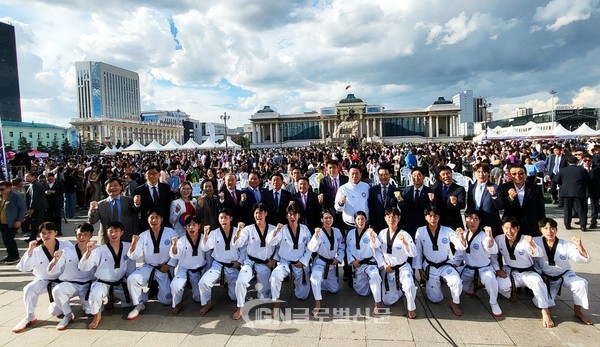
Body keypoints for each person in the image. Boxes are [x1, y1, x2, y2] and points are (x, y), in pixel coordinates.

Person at [493, 216, 553, 328]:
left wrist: (532, 244)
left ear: (518, 228)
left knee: (538, 283)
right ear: (502, 228)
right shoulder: (499, 239)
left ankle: (545, 310)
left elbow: (538, 254)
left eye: (512, 228)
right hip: (511, 271)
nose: (509, 231)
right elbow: (493, 256)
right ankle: (514, 291)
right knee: (499, 286)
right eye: (506, 228)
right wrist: (497, 269)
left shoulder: (526, 239)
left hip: (528, 272)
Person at [12, 222, 72, 333]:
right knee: (29, 289)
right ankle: (30, 315)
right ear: (39, 235)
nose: (46, 235)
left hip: (63, 281)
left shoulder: (66, 245)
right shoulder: (36, 250)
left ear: (55, 233)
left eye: (50, 232)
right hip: (44, 280)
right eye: (43, 233)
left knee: (55, 312)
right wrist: (30, 250)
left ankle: (66, 311)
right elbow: (24, 267)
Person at [533, 218, 592, 325]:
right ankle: (545, 309)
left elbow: (584, 259)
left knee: (581, 284)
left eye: (552, 228)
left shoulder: (565, 245)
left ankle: (578, 311)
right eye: (546, 228)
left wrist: (579, 245)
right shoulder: (535, 241)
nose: (549, 231)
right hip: (546, 277)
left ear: (556, 230)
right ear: (540, 230)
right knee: (541, 302)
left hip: (564, 274)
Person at [79, 221, 135, 329]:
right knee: (94, 296)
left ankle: (112, 298)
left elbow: (132, 264)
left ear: (121, 232)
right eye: (110, 231)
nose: (113, 234)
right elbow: (84, 267)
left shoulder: (128, 246)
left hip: (119, 283)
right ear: (106, 233)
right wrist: (88, 253)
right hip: (103, 283)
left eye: (116, 231)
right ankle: (97, 315)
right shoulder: (99, 250)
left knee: (142, 298)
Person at [126, 209, 178, 320]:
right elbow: (134, 256)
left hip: (164, 267)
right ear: (148, 220)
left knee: (167, 300)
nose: (154, 220)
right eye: (151, 218)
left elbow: (178, 252)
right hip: (149, 267)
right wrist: (134, 244)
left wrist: (169, 265)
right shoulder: (143, 235)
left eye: (156, 217)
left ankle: (159, 289)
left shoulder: (171, 232)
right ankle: (139, 303)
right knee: (132, 279)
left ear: (161, 219)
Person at [414, 206, 465, 316]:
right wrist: (419, 269)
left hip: (445, 265)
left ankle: (454, 302)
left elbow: (460, 246)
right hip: (430, 266)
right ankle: (431, 286)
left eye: (435, 216)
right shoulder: (420, 231)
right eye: (430, 216)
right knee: (435, 299)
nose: (433, 219)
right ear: (426, 217)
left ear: (439, 217)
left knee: (457, 283)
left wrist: (461, 237)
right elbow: (417, 251)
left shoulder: (447, 230)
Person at [47, 223, 97, 330]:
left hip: (88, 286)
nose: (82, 237)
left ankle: (84, 303)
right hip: (71, 284)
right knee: (56, 297)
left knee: (91, 310)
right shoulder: (67, 251)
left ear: (91, 235)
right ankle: (68, 314)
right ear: (75, 236)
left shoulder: (98, 250)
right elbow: (51, 270)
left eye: (85, 234)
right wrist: (55, 260)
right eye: (79, 235)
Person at [232, 203, 277, 320]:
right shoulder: (248, 229)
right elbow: (238, 243)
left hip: (265, 263)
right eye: (256, 213)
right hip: (250, 262)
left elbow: (279, 247)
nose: (258, 215)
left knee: (264, 298)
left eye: (261, 213)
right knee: (241, 281)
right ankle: (240, 307)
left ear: (266, 214)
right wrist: (238, 232)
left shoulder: (273, 229)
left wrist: (274, 260)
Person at [371, 208, 417, 318]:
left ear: (399, 218)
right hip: (387, 269)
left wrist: (405, 244)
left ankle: (411, 307)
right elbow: (377, 250)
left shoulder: (404, 234)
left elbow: (414, 253)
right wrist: (383, 265)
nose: (391, 219)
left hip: (402, 267)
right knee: (388, 301)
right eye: (389, 216)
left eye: (394, 217)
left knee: (409, 286)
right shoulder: (382, 233)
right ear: (385, 218)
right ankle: (399, 290)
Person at [267, 204, 312, 316]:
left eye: (295, 214)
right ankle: (276, 303)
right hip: (285, 262)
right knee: (274, 277)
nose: (292, 217)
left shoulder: (305, 229)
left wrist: (304, 261)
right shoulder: (282, 230)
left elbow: (310, 247)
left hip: (300, 263)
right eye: (290, 214)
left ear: (299, 216)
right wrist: (275, 231)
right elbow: (271, 242)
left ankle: (297, 282)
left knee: (302, 296)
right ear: (287, 216)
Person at [198, 208, 244, 315]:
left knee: (234, 297)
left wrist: (239, 262)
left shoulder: (238, 231)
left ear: (231, 218)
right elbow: (205, 248)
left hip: (233, 266)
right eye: (221, 218)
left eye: (226, 217)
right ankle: (208, 303)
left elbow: (244, 250)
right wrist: (205, 234)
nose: (223, 220)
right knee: (203, 282)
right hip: (218, 265)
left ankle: (230, 287)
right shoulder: (214, 233)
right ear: (218, 220)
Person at [457, 210, 502, 317]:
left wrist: (490, 237)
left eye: (476, 219)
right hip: (468, 269)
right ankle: (473, 286)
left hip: (484, 269)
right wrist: (452, 265)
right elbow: (458, 254)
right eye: (470, 219)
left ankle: (494, 302)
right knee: (455, 282)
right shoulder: (463, 234)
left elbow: (491, 249)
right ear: (466, 220)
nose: (472, 222)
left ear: (479, 221)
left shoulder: (484, 235)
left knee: (491, 281)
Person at [335, 164, 370, 281]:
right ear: (348, 174)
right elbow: (337, 208)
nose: (355, 176)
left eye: (357, 173)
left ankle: (364, 270)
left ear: (361, 174)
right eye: (352, 173)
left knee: (364, 247)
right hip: (349, 224)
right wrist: (341, 202)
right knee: (348, 248)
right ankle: (347, 271)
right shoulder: (343, 188)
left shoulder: (366, 187)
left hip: (364, 224)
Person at [308, 209, 345, 316]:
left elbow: (342, 247)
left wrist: (338, 259)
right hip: (320, 262)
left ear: (333, 219)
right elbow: (312, 248)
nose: (328, 220)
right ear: (321, 219)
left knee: (334, 289)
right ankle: (317, 303)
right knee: (315, 278)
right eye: (325, 218)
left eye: (330, 218)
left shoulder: (337, 231)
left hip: (331, 263)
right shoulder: (318, 232)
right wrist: (315, 236)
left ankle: (320, 284)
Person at [169, 215, 208, 315]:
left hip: (199, 269)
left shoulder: (204, 238)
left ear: (199, 226)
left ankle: (204, 300)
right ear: (185, 227)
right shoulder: (181, 240)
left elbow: (209, 256)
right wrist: (174, 245)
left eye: (194, 225)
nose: (191, 227)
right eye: (188, 225)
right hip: (184, 269)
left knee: (198, 298)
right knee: (175, 286)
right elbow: (175, 254)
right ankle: (177, 304)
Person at [346, 211, 383, 315]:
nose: (360, 221)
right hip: (357, 265)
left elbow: (377, 246)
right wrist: (353, 261)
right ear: (354, 221)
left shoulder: (370, 232)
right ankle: (370, 285)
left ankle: (377, 304)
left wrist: (372, 236)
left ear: (366, 221)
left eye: (362, 219)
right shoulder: (350, 233)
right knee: (363, 292)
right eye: (358, 219)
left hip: (369, 263)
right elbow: (348, 249)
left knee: (375, 277)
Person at [88, 177, 139, 244]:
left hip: (126, 238)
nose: (112, 188)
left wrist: (137, 204)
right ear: (106, 188)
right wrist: (92, 210)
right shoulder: (100, 204)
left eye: (115, 185)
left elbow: (136, 217)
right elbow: (92, 221)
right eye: (110, 186)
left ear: (121, 187)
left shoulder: (129, 201)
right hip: (106, 240)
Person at [499, 164, 546, 236]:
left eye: (521, 173)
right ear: (510, 175)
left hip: (531, 225)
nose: (517, 176)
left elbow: (541, 208)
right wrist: (510, 198)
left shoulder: (535, 188)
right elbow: (501, 206)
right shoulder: (504, 188)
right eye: (514, 174)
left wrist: (542, 226)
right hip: (512, 226)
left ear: (526, 175)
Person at [553, 156, 593, 231]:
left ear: (568, 162)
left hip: (566, 192)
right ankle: (583, 225)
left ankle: (567, 224)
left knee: (567, 209)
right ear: (577, 162)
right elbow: (588, 180)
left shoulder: (563, 170)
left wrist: (563, 184)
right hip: (579, 191)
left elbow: (557, 179)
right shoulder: (582, 170)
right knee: (581, 209)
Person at [466, 163, 503, 236]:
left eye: (484, 172)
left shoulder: (495, 187)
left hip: (490, 224)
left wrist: (494, 195)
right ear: (474, 173)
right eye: (478, 172)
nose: (481, 174)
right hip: (475, 224)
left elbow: (500, 206)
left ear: (488, 173)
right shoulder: (471, 188)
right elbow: (470, 207)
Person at [133, 164, 173, 231]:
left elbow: (169, 206)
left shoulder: (166, 188)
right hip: (146, 226)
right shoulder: (138, 190)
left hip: (164, 224)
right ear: (145, 175)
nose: (152, 176)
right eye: (149, 174)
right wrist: (137, 204)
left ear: (159, 175)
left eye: (154, 173)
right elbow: (134, 211)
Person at [397, 167, 435, 238]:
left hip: (423, 224)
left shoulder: (429, 191)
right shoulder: (407, 190)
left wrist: (432, 201)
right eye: (414, 175)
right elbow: (403, 207)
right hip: (408, 224)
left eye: (419, 175)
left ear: (424, 177)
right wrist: (400, 200)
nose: (416, 178)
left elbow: (433, 209)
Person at [431, 166, 466, 230]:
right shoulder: (434, 188)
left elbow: (462, 204)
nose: (446, 176)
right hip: (439, 223)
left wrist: (456, 203)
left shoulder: (459, 189)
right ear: (439, 177)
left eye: (448, 173)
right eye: (443, 174)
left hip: (454, 223)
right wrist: (432, 200)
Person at [0, 180, 26, 264]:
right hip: (2, 222)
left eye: (2, 189)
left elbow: (22, 209)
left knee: (9, 239)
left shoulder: (16, 196)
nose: (1, 191)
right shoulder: (2, 196)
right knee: (5, 240)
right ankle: (10, 255)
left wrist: (19, 220)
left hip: (12, 222)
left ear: (9, 188)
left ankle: (15, 256)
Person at [367, 167, 399, 233]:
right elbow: (371, 208)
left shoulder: (396, 190)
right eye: (381, 175)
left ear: (390, 175)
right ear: (378, 176)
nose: (383, 177)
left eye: (386, 174)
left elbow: (399, 209)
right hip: (377, 224)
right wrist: (371, 224)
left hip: (391, 224)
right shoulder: (373, 190)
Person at [24, 171, 49, 242]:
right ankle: (33, 237)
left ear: (33, 177)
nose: (26, 178)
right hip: (38, 207)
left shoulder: (35, 185)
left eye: (28, 176)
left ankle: (40, 238)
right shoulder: (33, 184)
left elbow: (34, 198)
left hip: (38, 208)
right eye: (25, 176)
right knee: (36, 224)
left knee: (38, 223)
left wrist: (32, 208)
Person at [582, 154, 600, 229]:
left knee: (594, 206)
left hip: (594, 189)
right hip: (583, 190)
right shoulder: (580, 168)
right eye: (585, 160)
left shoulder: (597, 168)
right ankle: (583, 221)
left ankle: (593, 221)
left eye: (589, 160)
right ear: (582, 161)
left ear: (592, 160)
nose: (587, 162)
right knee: (583, 206)